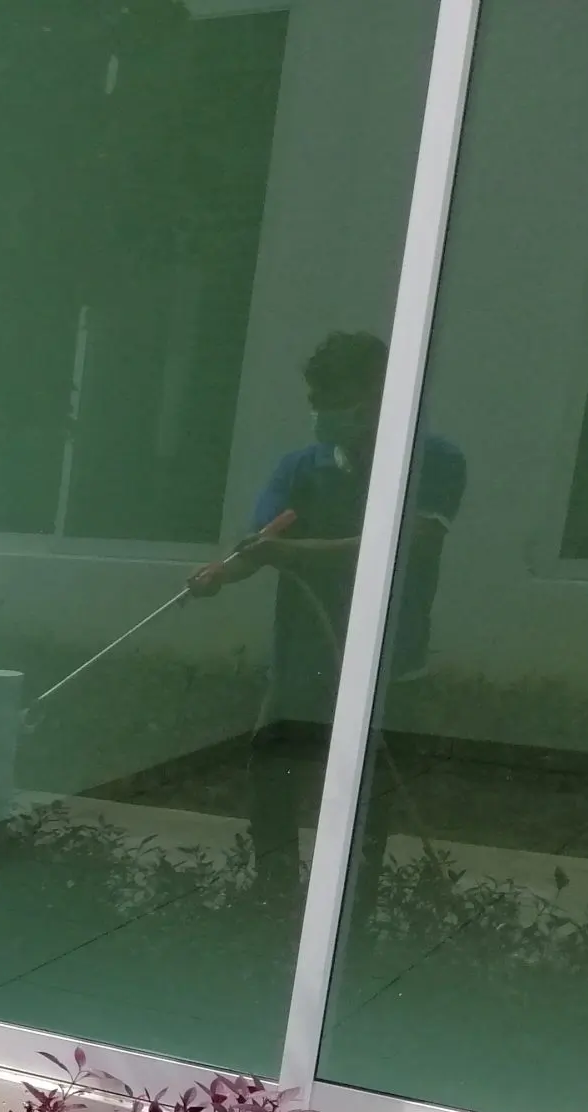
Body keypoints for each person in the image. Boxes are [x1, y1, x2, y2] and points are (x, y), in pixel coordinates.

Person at [188, 330, 465, 892]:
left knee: (366, 795)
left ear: (380, 394)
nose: (323, 412)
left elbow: (402, 550)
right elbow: (256, 548)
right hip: (301, 659)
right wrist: (222, 572)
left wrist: (283, 552)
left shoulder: (433, 461)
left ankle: (349, 908)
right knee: (272, 774)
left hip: (389, 663)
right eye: (316, 401)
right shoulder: (299, 468)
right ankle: (273, 893)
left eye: (335, 398)